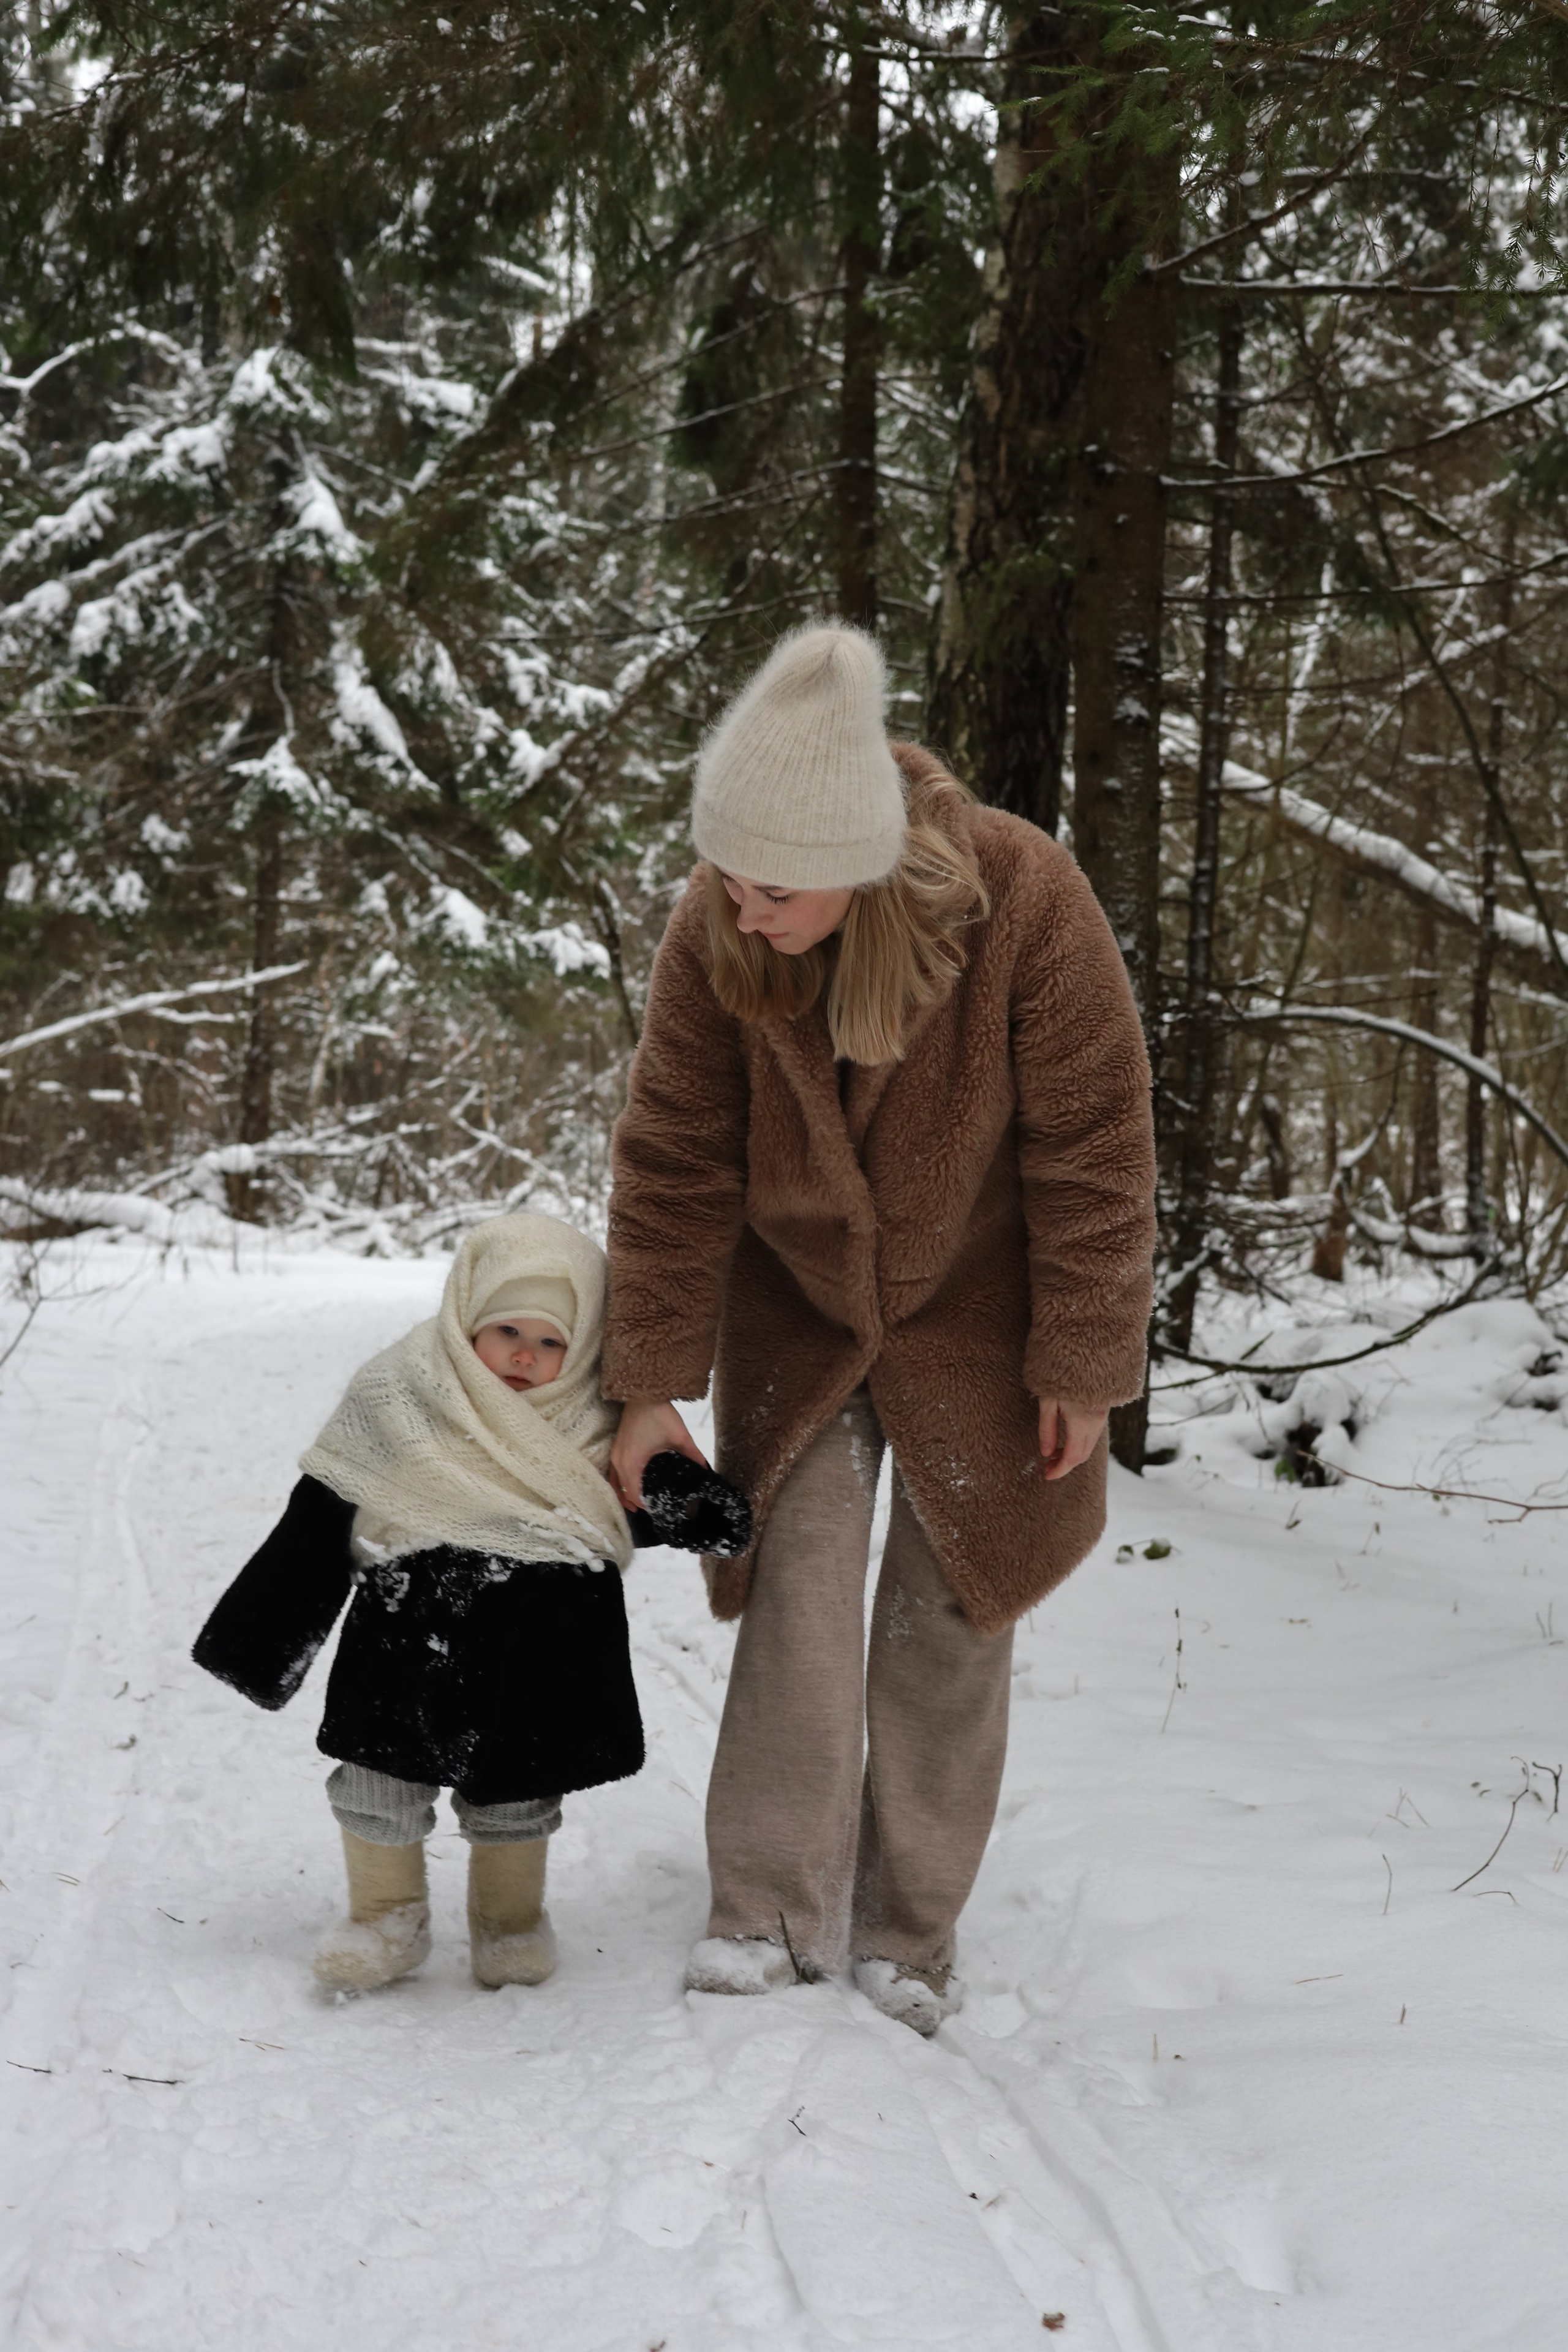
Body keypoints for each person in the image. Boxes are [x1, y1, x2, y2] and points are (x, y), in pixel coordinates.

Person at [603, 622, 1157, 2035]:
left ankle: (907, 1930)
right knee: (793, 1573)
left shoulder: (1023, 897)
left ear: (857, 862)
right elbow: (673, 1153)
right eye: (725, 871)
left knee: (955, 1601)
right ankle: (766, 1909)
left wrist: (1084, 1364)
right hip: (798, 1304)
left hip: (986, 1306)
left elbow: (1093, 1145)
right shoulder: (716, 923)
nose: (742, 902)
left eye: (776, 884)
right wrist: (651, 1378)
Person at [193, 1211, 748, 1995]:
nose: (526, 1354)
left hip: (540, 1650)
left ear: (585, 1343)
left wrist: (691, 1506)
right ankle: (386, 1917)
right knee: (376, 1781)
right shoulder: (399, 1398)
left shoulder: (594, 1421)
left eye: (553, 1340)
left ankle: (509, 1922)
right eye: (507, 1330)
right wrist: (262, 1639)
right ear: (466, 1320)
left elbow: (637, 1503)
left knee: (518, 1792)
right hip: (403, 1633)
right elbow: (325, 1514)